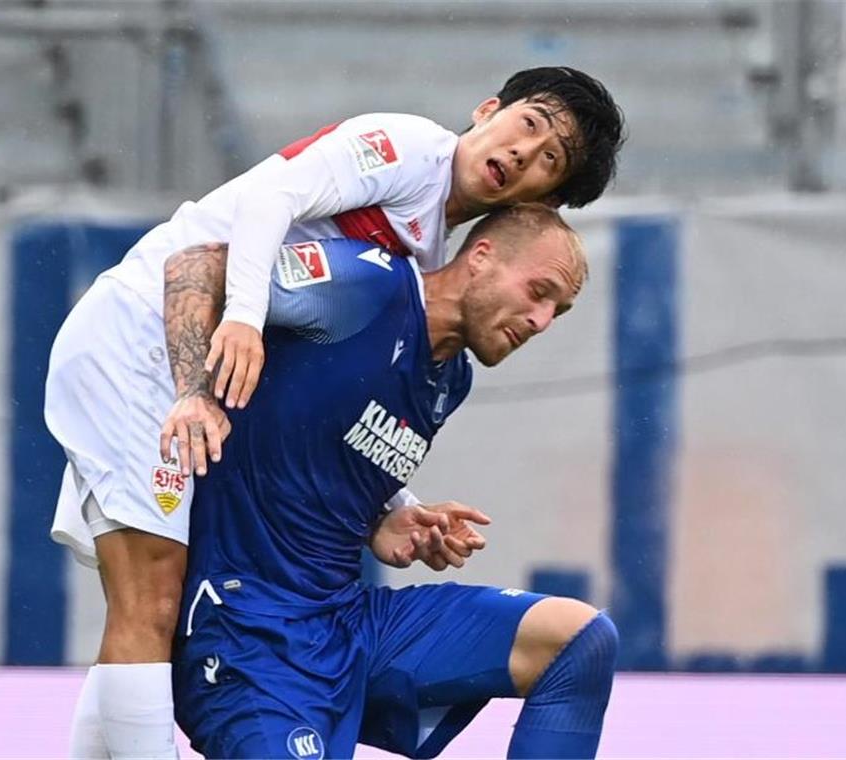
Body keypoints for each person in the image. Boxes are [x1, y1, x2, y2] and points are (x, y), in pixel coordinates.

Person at [45, 67, 624, 758]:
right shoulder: (408, 150)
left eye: (550, 161)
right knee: (151, 601)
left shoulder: (428, 282)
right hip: (145, 339)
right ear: (488, 109)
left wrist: (391, 506)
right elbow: (264, 201)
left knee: (144, 607)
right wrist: (236, 327)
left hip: (313, 593)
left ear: (546, 198)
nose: (524, 153)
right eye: (528, 125)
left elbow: (335, 416)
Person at [173, 204, 618, 759]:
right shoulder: (368, 284)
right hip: (249, 633)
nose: (542, 320)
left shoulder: (450, 380)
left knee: (577, 639)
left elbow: (313, 449)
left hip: (347, 622)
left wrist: (383, 518)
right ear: (480, 257)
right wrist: (191, 392)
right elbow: (199, 266)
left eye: (560, 310)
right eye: (539, 291)